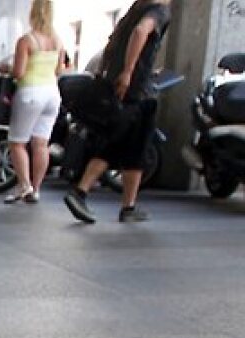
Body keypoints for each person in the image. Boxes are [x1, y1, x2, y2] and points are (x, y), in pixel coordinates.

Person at [64, 0, 171, 223]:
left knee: (129, 145)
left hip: (123, 86)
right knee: (124, 144)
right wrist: (129, 71)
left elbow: (113, 41)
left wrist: (110, 72)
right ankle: (81, 191)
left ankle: (127, 206)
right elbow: (141, 31)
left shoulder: (135, 8)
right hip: (137, 90)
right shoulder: (158, 11)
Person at [5, 0, 65, 204]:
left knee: (17, 142)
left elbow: (19, 73)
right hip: (52, 94)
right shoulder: (58, 41)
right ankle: (36, 189)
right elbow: (59, 71)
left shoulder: (26, 40)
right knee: (41, 143)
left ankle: (24, 185)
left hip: (30, 92)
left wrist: (6, 68)